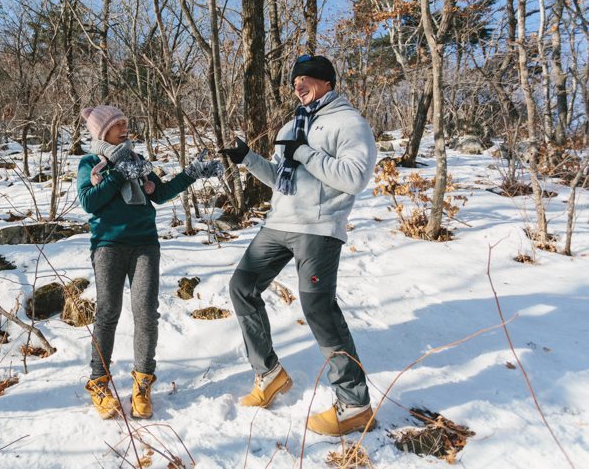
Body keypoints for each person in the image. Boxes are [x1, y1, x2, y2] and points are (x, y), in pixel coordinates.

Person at [219, 55, 378, 436]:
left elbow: (355, 177)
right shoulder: (293, 124)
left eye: (305, 79)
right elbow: (282, 178)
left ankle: (355, 405)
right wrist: (248, 160)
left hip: (319, 227)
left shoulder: (349, 123)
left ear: (326, 82)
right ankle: (269, 373)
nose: (297, 85)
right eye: (294, 81)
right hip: (279, 223)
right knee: (241, 287)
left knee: (317, 307)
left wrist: (305, 151)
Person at [77, 105, 222, 420]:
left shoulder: (137, 161)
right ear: (103, 132)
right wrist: (116, 175)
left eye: (126, 123)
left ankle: (142, 384)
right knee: (107, 313)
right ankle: (99, 384)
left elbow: (160, 193)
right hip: (108, 246)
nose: (125, 128)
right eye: (119, 125)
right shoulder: (90, 163)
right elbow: (89, 201)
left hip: (145, 244)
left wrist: (191, 174)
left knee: (146, 313)